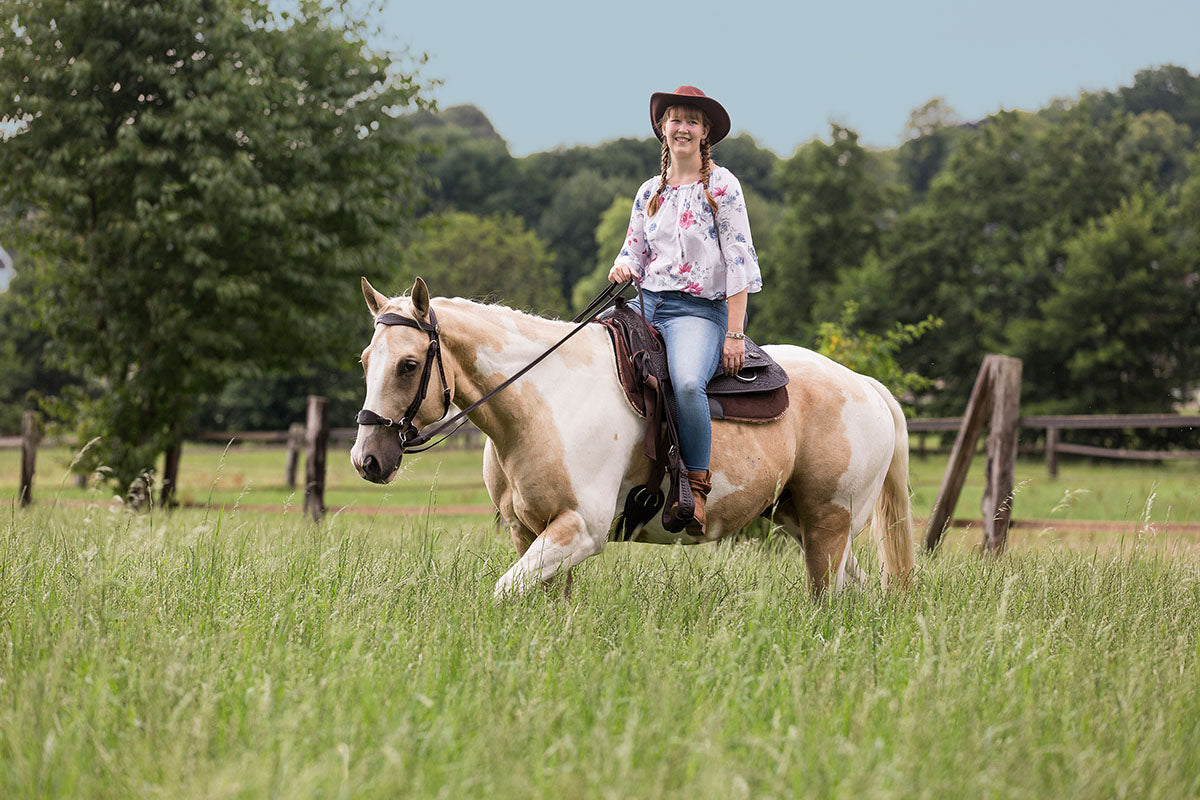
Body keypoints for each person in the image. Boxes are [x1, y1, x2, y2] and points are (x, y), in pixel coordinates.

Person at [608, 85, 762, 534]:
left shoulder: (721, 187)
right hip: (646, 304)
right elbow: (633, 253)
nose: (682, 128)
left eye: (692, 121)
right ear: (662, 128)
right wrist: (621, 267)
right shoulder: (648, 192)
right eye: (675, 119)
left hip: (697, 312)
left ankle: (694, 486)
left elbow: (739, 263)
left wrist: (734, 333)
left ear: (705, 132)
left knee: (689, 383)